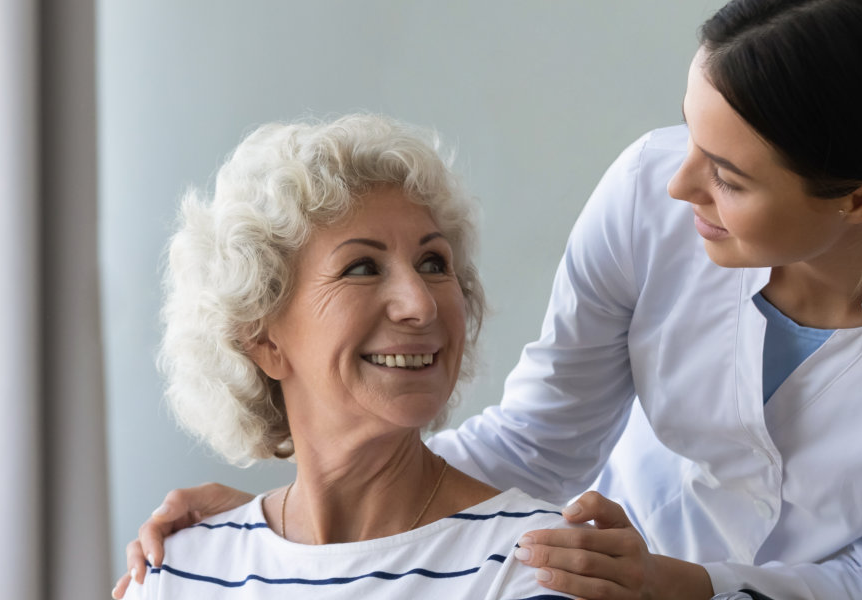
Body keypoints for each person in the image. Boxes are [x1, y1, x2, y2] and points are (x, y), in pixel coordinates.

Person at [116, 1, 862, 598]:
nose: (678, 185)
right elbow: (542, 439)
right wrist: (286, 517)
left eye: (725, 175)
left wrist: (690, 588)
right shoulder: (648, 193)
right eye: (688, 136)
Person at [121, 114, 580, 599]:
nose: (420, 305)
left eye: (433, 264)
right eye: (361, 267)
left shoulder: (541, 564)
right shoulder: (178, 573)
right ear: (263, 341)